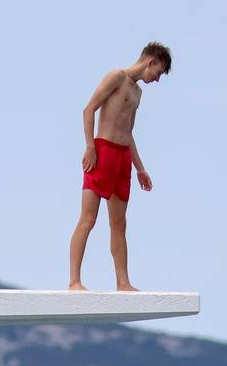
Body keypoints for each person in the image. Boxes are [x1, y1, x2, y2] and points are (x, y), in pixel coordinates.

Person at [68, 42, 172, 292]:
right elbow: (88, 109)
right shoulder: (117, 76)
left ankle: (123, 282)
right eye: (158, 73)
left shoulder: (138, 93)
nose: (157, 79)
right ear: (150, 62)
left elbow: (129, 132)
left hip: (122, 158)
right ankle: (74, 281)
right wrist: (90, 146)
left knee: (119, 223)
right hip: (102, 152)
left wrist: (140, 168)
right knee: (88, 219)